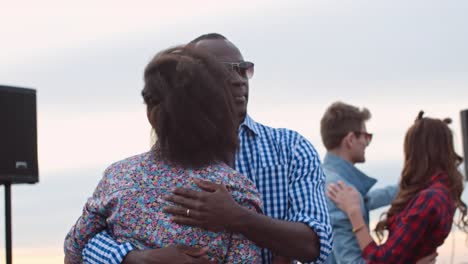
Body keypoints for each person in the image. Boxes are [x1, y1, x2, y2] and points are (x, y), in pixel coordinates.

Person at [82, 33, 333, 264]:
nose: (238, 80)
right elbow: (83, 242)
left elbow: (316, 244)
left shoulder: (290, 149)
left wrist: (238, 217)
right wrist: (139, 258)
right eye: (222, 72)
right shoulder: (133, 174)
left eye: (243, 69)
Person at [64, 46, 264, 263]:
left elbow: (74, 251)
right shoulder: (236, 191)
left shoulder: (118, 177)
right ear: (219, 112)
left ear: (152, 114)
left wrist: (128, 258)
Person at [327, 111, 468, 263]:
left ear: (415, 152)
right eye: (366, 136)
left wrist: (354, 213)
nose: (367, 142)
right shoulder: (442, 192)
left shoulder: (429, 198)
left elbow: (380, 260)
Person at [320, 102, 398, 264]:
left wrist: (411, 186)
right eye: (366, 136)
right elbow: (351, 261)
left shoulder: (324, 179)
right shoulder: (340, 190)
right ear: (350, 139)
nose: (366, 143)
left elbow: (367, 199)